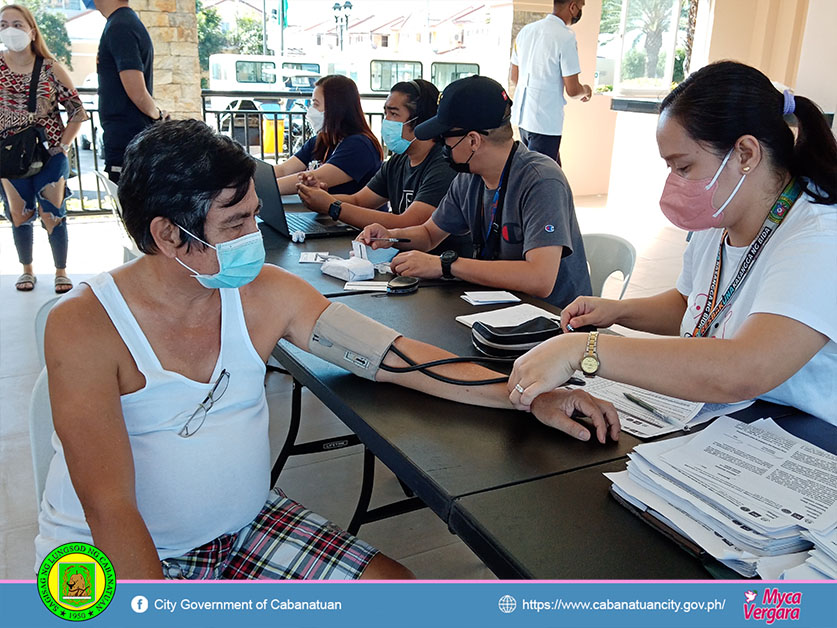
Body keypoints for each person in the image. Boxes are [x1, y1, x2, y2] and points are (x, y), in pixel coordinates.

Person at [36, 119, 618, 581]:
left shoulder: (265, 295)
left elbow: (395, 356)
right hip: (105, 554)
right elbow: (109, 505)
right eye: (235, 225)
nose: (253, 238)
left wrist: (523, 394)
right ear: (168, 235)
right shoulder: (85, 326)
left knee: (400, 597)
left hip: (244, 528)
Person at [508, 61, 837, 424]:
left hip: (804, 435)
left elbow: (746, 368)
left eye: (683, 167)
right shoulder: (721, 215)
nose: (676, 183)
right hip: (730, 419)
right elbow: (691, 303)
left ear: (745, 153)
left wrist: (584, 350)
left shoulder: (819, 238)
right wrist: (618, 312)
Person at [358, 75, 592, 310]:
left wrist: (445, 265)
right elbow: (429, 235)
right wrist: (390, 235)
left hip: (553, 321)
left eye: (445, 138)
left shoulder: (541, 181)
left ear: (473, 141)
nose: (442, 147)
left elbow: (540, 279)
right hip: (496, 307)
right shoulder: (469, 178)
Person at [0, 4, 88, 293]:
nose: (9, 30)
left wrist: (63, 145)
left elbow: (77, 112)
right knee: (19, 213)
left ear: (31, 31)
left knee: (53, 212)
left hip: (49, 154)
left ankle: (61, 271)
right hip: (8, 156)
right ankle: (27, 270)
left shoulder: (50, 68)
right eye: (3, 25)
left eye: (17, 24)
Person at [296, 79, 457, 231]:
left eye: (394, 114)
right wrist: (319, 197)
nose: (386, 121)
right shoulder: (398, 161)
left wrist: (332, 206)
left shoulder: (443, 165)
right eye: (385, 113)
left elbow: (408, 223)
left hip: (435, 258)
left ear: (421, 121)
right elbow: (359, 201)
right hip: (404, 256)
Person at [89, 0, 167, 183]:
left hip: (128, 139)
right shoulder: (121, 22)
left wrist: (157, 115)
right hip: (129, 138)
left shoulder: (120, 26)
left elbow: (136, 91)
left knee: (134, 208)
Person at [509, 0, 592, 165]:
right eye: (581, 7)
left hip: (524, 119)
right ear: (572, 6)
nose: (579, 12)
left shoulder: (526, 31)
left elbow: (514, 77)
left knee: (545, 172)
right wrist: (587, 91)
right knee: (542, 180)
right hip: (545, 123)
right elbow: (573, 90)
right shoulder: (566, 37)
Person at [273, 74, 382, 195]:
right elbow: (283, 170)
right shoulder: (320, 140)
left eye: (316, 104)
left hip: (347, 213)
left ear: (335, 108)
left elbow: (317, 178)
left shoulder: (359, 146)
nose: (311, 110)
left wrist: (262, 187)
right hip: (321, 213)